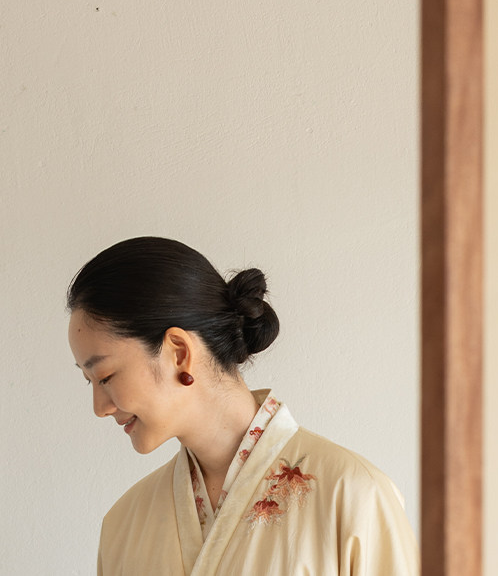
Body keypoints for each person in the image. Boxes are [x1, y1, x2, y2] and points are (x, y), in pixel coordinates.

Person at [66, 236, 419, 575]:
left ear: (179, 353)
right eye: (88, 381)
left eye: (105, 377)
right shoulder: (124, 524)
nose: (99, 407)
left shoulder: (353, 496)